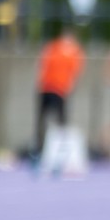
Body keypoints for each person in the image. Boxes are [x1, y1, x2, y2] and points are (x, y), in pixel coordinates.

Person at [34, 25, 85, 168]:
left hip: (61, 90)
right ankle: (39, 148)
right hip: (47, 87)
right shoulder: (53, 47)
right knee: (42, 119)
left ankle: (61, 151)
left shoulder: (75, 52)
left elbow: (75, 71)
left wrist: (70, 86)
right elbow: (42, 63)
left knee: (61, 120)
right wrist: (40, 80)